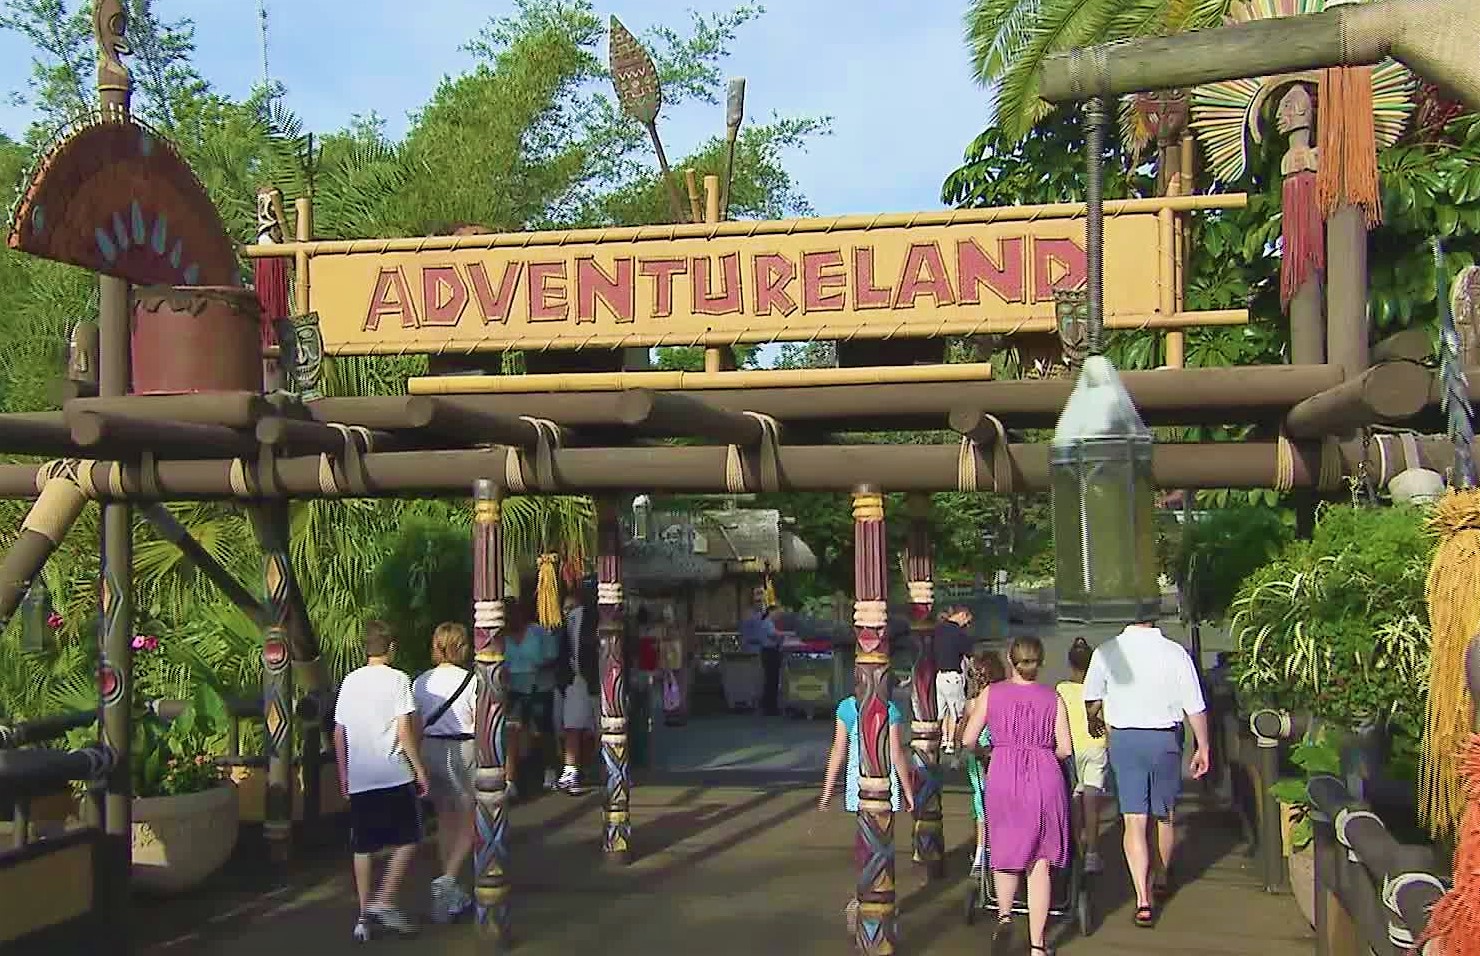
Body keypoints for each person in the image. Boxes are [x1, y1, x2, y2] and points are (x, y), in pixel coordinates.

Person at [1082, 620, 1211, 929]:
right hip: (1165, 737)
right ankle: (1162, 875)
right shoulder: (1175, 653)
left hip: (1125, 738)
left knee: (1134, 819)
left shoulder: (1107, 651)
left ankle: (1142, 898)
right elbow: (1195, 705)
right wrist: (1203, 746)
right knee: (1163, 813)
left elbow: (1091, 697)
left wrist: (1094, 719)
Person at [958, 635, 1071, 956]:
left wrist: (989, 751)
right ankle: (1038, 945)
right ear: (1040, 663)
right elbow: (1064, 748)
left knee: (1005, 848)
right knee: (1040, 860)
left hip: (1004, 772)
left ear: (1011, 660)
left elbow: (968, 739)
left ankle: (1005, 916)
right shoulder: (1053, 698)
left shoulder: (992, 693)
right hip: (1044, 775)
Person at [335, 620, 429, 941]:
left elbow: (339, 732)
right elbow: (405, 731)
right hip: (393, 772)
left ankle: (363, 915)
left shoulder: (350, 682)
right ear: (391, 647)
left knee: (363, 845)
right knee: (410, 837)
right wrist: (419, 768)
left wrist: (343, 773)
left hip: (361, 774)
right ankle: (385, 897)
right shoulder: (399, 680)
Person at [818, 690, 916, 936]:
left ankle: (862, 897)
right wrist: (908, 791)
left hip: (858, 785)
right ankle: (880, 896)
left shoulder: (846, 709)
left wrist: (827, 791)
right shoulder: (890, 709)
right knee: (884, 845)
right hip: (885, 786)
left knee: (865, 844)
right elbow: (896, 754)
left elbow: (839, 749)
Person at [411, 622, 478, 923]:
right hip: (463, 748)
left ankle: (449, 892)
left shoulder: (421, 682)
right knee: (471, 820)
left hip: (430, 747)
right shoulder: (472, 681)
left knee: (445, 819)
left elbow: (414, 721)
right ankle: (448, 879)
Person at [1057, 637, 1109, 875]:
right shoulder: (1102, 690)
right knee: (1093, 801)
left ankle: (1076, 848)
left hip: (1072, 749)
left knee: (1075, 799)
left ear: (1070, 664)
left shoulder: (1062, 689)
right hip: (1096, 747)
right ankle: (1092, 853)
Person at [503, 598, 561, 798]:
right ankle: (514, 778)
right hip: (513, 690)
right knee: (514, 732)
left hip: (539, 686)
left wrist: (539, 666)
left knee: (543, 730)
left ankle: (550, 771)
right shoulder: (503, 637)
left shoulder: (537, 632)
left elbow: (553, 656)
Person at [960, 649, 1007, 874]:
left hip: (978, 755)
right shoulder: (1004, 700)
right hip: (1000, 756)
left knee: (980, 801)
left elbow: (964, 734)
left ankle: (981, 851)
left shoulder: (972, 704)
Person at [553, 589, 599, 794]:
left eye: (571, 607)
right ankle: (572, 770)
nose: (568, 612)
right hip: (576, 678)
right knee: (574, 725)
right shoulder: (567, 624)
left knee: (596, 727)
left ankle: (585, 769)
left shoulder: (591, 619)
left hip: (592, 677)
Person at [932, 605, 976, 759]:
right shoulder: (959, 633)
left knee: (942, 712)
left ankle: (943, 740)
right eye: (968, 621)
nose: (967, 625)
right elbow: (969, 655)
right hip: (954, 676)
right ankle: (953, 744)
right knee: (958, 713)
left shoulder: (937, 630)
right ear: (963, 615)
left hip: (939, 676)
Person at [740, 603, 782, 716]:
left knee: (771, 679)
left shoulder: (768, 623)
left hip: (768, 651)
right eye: (777, 613)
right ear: (771, 612)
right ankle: (770, 707)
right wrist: (782, 636)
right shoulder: (768, 623)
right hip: (770, 651)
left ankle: (769, 706)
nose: (778, 615)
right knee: (771, 679)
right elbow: (772, 635)